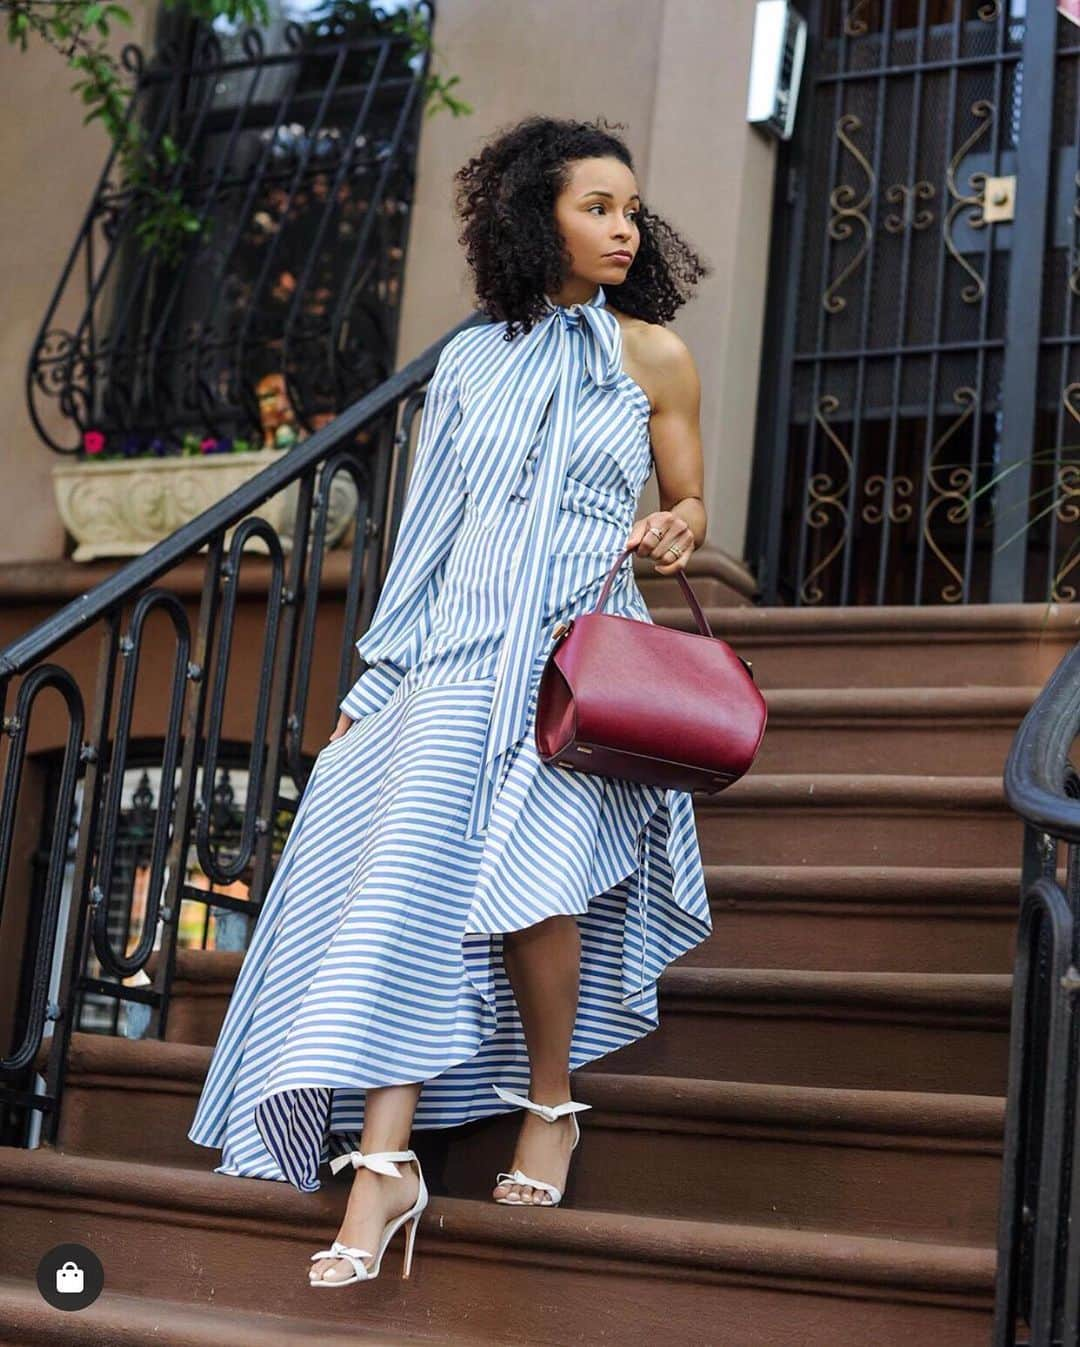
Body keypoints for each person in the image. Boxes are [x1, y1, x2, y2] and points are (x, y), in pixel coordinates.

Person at [187, 113, 714, 1288]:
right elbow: (427, 534)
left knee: (537, 894)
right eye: (597, 208)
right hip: (455, 663)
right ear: (538, 220)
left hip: (575, 661)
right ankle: (385, 1166)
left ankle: (551, 1102)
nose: (624, 228)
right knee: (409, 898)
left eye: (632, 209)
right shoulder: (468, 362)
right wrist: (375, 680)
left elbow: (689, 503)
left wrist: (673, 528)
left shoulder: (653, 358)